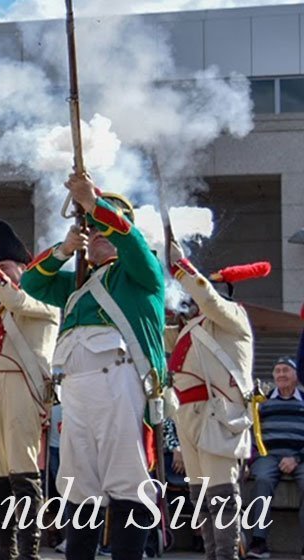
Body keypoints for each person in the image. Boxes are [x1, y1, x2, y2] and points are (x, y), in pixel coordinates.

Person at [20, 173, 167, 560]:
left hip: (119, 381)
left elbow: (130, 241)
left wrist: (95, 206)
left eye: (105, 226)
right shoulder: (78, 283)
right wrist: (66, 248)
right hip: (76, 389)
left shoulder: (142, 271)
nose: (98, 232)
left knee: (127, 481)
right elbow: (31, 284)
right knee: (76, 485)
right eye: (91, 228)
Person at [0, 219, 60, 560]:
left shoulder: (43, 302)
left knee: (22, 470)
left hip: (24, 386)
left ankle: (28, 550)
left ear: (24, 268)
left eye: (6, 267)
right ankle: (6, 547)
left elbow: (16, 301)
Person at [166, 248, 265, 560]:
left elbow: (209, 299)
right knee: (200, 497)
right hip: (189, 417)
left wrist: (180, 264)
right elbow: (154, 333)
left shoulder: (232, 316)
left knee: (221, 495)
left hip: (217, 413)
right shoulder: (191, 327)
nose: (195, 300)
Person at [246, 356, 304, 559]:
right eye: (277, 371)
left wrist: (296, 458)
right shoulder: (263, 402)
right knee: (262, 480)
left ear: (296, 375)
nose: (281, 374)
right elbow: (253, 433)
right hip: (268, 455)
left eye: (285, 370)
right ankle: (259, 542)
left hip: (300, 456)